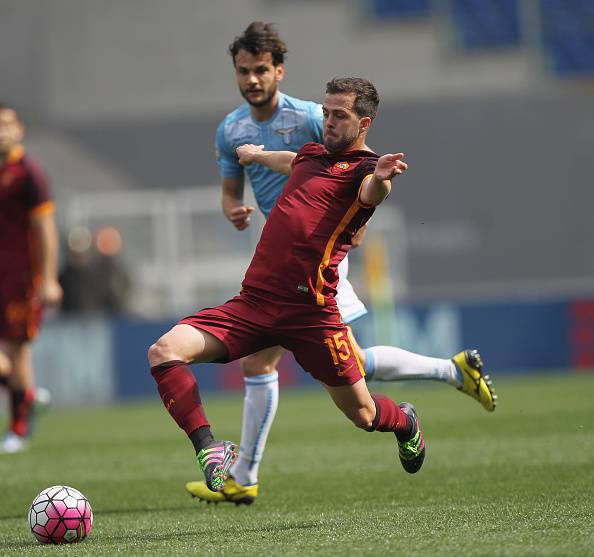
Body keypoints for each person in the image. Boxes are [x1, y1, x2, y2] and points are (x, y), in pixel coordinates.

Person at [185, 22, 496, 504]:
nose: (251, 80)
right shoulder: (233, 130)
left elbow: (358, 173)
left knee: (265, 362)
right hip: (283, 252)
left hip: (319, 256)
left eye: (260, 70)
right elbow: (290, 165)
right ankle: (453, 372)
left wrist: (363, 209)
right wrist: (242, 190)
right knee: (348, 367)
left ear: (278, 71)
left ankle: (244, 475)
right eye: (243, 71)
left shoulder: (312, 116)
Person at [0, 104, 62, 453]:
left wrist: (49, 278)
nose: (1, 132)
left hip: (20, 278)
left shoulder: (28, 174)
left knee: (14, 350)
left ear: (19, 129)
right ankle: (28, 396)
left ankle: (19, 425)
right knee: (13, 355)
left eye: (7, 124)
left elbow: (46, 228)